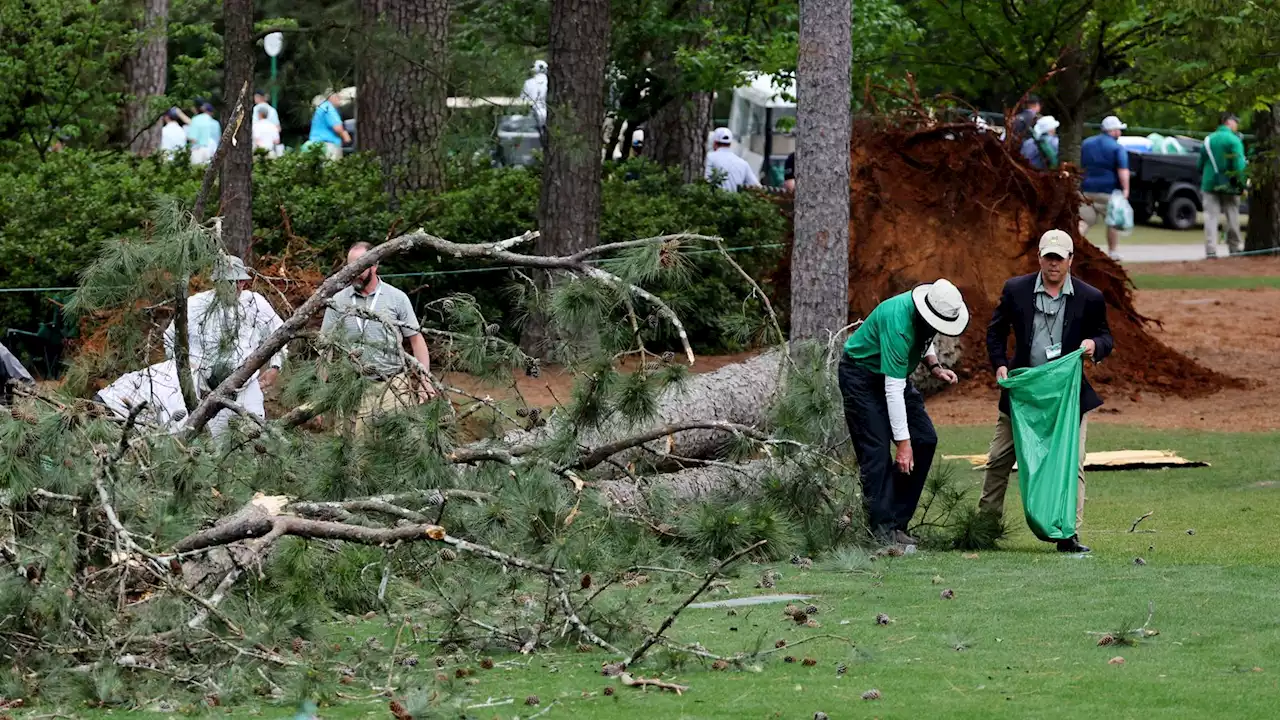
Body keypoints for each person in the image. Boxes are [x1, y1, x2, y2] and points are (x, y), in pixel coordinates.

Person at [978, 229, 1114, 554]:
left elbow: (1106, 336)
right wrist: (999, 364)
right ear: (1039, 258)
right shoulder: (1016, 290)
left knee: (1073, 463)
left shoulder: (1090, 297)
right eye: (1048, 257)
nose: (1053, 264)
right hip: (1023, 393)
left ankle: (1068, 534)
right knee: (998, 458)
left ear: (1071, 260)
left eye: (1060, 257)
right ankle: (985, 528)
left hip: (1066, 397)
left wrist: (1094, 345)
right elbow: (995, 331)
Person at [839, 279, 967, 546]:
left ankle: (897, 522)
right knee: (876, 452)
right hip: (861, 376)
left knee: (925, 439)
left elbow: (925, 338)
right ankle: (882, 531)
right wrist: (903, 445)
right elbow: (893, 391)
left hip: (892, 377)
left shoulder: (927, 313)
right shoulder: (899, 325)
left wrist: (934, 366)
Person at [163, 256, 287, 438]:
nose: (237, 287)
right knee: (216, 444)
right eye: (230, 282)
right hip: (207, 392)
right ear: (217, 282)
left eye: (240, 281)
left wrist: (276, 366)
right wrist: (189, 368)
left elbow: (280, 333)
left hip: (247, 389)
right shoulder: (195, 305)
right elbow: (170, 339)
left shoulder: (255, 303)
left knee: (256, 439)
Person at [320, 242, 436, 432]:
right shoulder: (338, 301)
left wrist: (425, 380)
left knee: (395, 449)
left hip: (392, 385)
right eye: (350, 267)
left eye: (359, 267)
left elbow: (416, 340)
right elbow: (326, 348)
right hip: (351, 387)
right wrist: (319, 392)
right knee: (352, 452)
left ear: (374, 265)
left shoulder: (397, 298)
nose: (353, 273)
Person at [1079, 115, 1131, 261]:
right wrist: (1126, 189)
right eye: (1119, 130)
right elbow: (1123, 170)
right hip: (1108, 190)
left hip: (1086, 189)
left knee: (1083, 220)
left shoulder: (1086, 143)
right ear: (1113, 131)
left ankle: (1074, 247)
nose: (1120, 133)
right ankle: (1113, 251)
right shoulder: (1117, 147)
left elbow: (1081, 165)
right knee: (1112, 221)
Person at [1198, 112, 1249, 258]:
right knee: (1232, 216)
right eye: (1235, 122)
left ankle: (1211, 250)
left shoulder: (1208, 140)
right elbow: (1239, 166)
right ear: (1228, 122)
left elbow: (1199, 164)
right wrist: (1242, 185)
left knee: (1210, 218)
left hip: (1209, 183)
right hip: (1229, 185)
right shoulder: (1234, 140)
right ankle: (1233, 247)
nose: (1237, 125)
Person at [704, 127, 760, 192]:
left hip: (712, 200)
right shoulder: (743, 163)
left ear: (715, 143)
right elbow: (757, 187)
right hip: (734, 200)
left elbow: (705, 180)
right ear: (730, 144)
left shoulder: (709, 157)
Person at [307, 90, 350, 161]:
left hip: (315, 145)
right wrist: (347, 138)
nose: (339, 99)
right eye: (337, 97)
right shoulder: (329, 108)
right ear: (331, 98)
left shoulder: (321, 108)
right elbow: (337, 128)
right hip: (328, 146)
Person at [521, 60, 549, 128]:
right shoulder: (550, 82)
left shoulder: (528, 83)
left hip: (532, 115)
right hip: (548, 113)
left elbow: (522, 100)